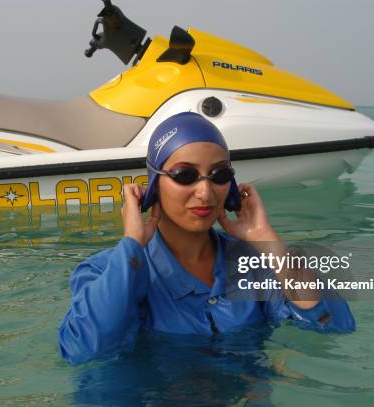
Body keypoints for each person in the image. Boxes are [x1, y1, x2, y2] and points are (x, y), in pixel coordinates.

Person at [58, 112, 355, 365]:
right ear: (153, 186)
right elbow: (84, 351)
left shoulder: (253, 265)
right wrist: (132, 244)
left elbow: (333, 327)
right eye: (185, 176)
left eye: (219, 175)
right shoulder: (102, 272)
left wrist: (268, 241)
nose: (205, 192)